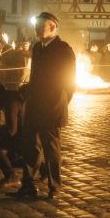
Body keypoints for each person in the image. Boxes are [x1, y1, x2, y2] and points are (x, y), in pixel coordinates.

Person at [14, 12, 76, 199]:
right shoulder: (37, 48)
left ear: (53, 27)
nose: (38, 30)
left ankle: (54, 187)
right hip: (34, 107)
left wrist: (60, 103)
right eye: (37, 26)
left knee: (51, 150)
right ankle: (29, 186)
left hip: (52, 108)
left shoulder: (63, 49)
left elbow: (69, 82)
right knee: (30, 148)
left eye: (42, 26)